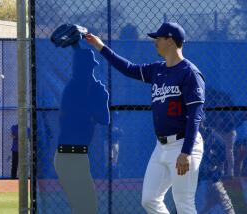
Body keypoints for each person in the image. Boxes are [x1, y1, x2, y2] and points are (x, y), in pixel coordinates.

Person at [86, 22, 205, 213]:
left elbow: (195, 115)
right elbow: (129, 68)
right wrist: (100, 46)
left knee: (184, 202)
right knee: (149, 199)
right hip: (162, 147)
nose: (155, 42)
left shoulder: (189, 73)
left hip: (184, 145)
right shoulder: (157, 69)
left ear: (170, 41)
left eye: (158, 38)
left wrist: (186, 152)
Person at [54, 48, 109, 214]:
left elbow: (104, 120)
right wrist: (102, 98)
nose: (92, 72)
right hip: (69, 158)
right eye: (89, 67)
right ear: (80, 68)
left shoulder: (84, 86)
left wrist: (100, 97)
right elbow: (102, 117)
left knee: (84, 208)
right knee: (87, 208)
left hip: (76, 157)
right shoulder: (75, 88)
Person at [196, 123, 235, 213]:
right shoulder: (184, 135)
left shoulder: (209, 133)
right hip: (198, 180)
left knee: (226, 208)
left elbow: (222, 150)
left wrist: (214, 161)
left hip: (210, 177)